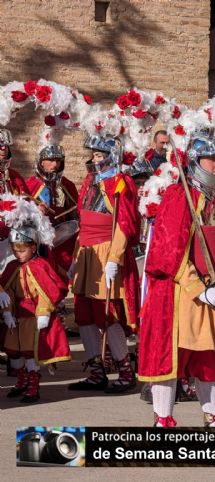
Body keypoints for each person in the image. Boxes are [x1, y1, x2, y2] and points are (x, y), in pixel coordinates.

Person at [138, 130, 215, 427]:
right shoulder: (179, 197)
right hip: (181, 293)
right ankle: (163, 419)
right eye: (213, 159)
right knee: (172, 357)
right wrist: (199, 289)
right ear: (195, 160)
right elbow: (168, 253)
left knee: (209, 356)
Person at [68, 135, 140, 393]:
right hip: (86, 252)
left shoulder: (121, 183)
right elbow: (83, 223)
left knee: (107, 315)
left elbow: (124, 224)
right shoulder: (89, 182)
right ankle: (96, 369)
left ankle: (124, 370)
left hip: (105, 252)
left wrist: (114, 259)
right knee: (84, 315)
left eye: (100, 155)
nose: (95, 159)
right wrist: (76, 259)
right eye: (94, 155)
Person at [0, 195, 70, 403]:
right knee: (16, 352)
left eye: (22, 249)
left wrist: (43, 313)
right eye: (15, 250)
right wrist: (7, 312)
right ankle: (21, 380)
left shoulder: (41, 266)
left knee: (31, 353)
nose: (18, 253)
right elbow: (8, 291)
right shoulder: (12, 267)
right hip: (18, 316)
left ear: (33, 247)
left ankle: (33, 384)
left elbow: (51, 291)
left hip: (34, 317)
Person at [25, 143, 79, 275]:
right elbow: (20, 215)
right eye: (50, 160)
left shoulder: (67, 185)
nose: (55, 165)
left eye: (58, 161)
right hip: (38, 241)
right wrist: (35, 212)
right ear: (41, 162)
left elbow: (76, 214)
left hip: (64, 242)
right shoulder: (30, 185)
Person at [0, 128, 27, 195]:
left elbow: (26, 201)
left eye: (6, 146)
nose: (4, 149)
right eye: (0, 146)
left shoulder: (15, 176)